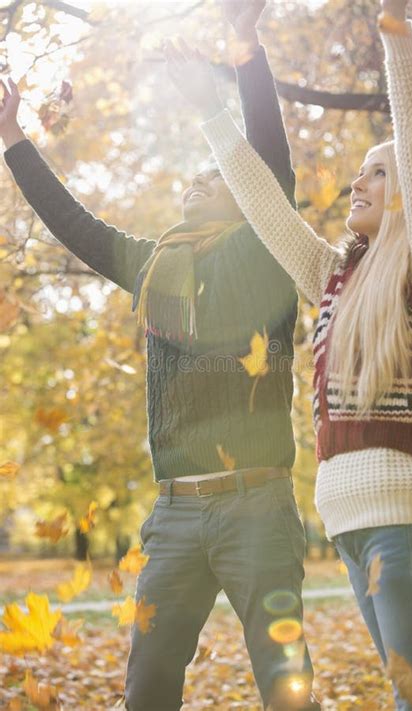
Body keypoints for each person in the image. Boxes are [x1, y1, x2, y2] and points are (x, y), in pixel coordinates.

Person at [0, 3, 321, 710]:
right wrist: (13, 137)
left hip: (257, 505)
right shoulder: (151, 267)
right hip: (175, 513)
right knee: (146, 686)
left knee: (284, 683)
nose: (196, 182)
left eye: (215, 179)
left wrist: (246, 53)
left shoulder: (265, 252)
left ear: (245, 202)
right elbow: (75, 225)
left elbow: (270, 162)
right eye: (192, 180)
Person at [163, 0, 412, 708]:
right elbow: (266, 205)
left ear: (408, 197)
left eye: (375, 174)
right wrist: (212, 108)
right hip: (351, 528)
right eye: (359, 172)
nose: (356, 184)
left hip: (405, 525)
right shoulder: (336, 278)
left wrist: (396, 32)